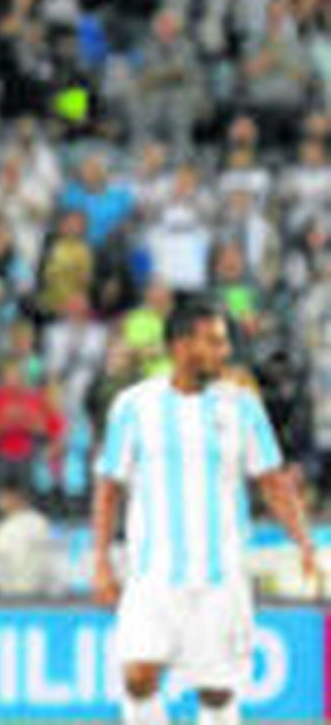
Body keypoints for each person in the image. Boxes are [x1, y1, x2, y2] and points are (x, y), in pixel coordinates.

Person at [92, 298, 321, 725]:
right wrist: (101, 561)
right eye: (214, 342)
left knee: (216, 692)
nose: (224, 351)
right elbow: (109, 487)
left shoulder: (242, 407)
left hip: (220, 577)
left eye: (223, 342)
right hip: (152, 575)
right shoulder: (133, 406)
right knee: (138, 675)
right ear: (181, 346)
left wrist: (304, 543)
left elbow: (272, 481)